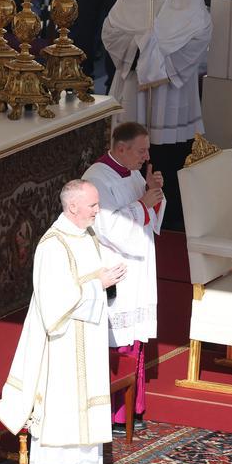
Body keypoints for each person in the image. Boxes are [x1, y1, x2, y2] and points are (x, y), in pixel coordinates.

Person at [0, 180, 126, 464]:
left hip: (88, 336)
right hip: (63, 342)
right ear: (73, 207)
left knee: (85, 404)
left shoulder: (87, 235)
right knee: (64, 406)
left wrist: (109, 279)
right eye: (93, 205)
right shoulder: (53, 245)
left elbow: (94, 274)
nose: (98, 210)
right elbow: (54, 301)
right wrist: (99, 284)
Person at [102, 0, 212, 230]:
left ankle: (170, 217)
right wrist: (142, 50)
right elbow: (110, 32)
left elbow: (202, 35)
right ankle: (129, 209)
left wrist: (160, 58)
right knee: (133, 148)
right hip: (135, 87)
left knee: (171, 157)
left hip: (174, 94)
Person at [82, 122, 165, 436]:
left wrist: (151, 194)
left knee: (136, 339)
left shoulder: (131, 172)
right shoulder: (96, 179)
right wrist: (143, 204)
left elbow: (148, 219)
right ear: (121, 149)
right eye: (141, 150)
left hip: (139, 266)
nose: (146, 156)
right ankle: (117, 413)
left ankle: (134, 408)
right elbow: (109, 229)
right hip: (117, 267)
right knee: (119, 342)